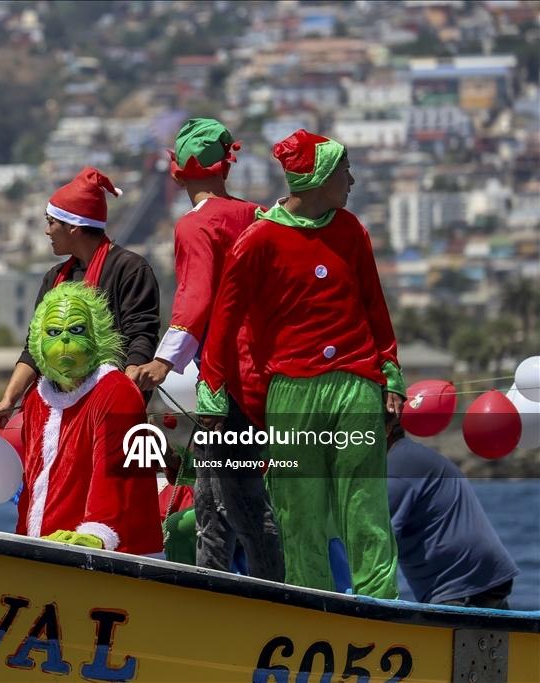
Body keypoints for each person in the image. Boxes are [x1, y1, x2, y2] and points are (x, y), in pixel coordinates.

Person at [196, 129, 406, 598]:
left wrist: (390, 376)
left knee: (365, 505)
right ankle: (312, 605)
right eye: (344, 171)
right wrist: (212, 392)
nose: (351, 180)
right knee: (299, 511)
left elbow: (376, 309)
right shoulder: (257, 241)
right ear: (320, 178)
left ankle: (380, 602)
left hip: (356, 382)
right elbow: (224, 325)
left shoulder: (351, 230)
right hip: (291, 390)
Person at [133, 118, 284, 581]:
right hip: (269, 375)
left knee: (241, 503)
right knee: (209, 502)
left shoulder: (196, 225)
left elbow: (195, 296)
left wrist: (163, 360)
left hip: (227, 381)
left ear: (178, 173)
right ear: (226, 167)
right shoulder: (260, 216)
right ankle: (210, 588)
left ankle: (270, 597)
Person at [0, 167, 160, 427]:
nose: (47, 231)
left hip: (110, 406)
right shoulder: (54, 277)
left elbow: (141, 335)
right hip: (60, 407)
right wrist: (8, 399)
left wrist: (126, 391)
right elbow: (35, 348)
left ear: (74, 227)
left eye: (51, 222)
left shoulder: (130, 268)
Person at [15, 282, 163, 556]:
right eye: (54, 332)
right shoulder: (37, 399)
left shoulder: (117, 392)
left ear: (96, 334)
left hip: (120, 558)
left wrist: (97, 533)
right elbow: (32, 482)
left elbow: (116, 472)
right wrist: (22, 543)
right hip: (47, 554)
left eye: (77, 330)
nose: (65, 341)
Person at [387, 422, 519, 608]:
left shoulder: (394, 466)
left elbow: (376, 542)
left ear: (386, 430)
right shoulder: (412, 454)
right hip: (484, 579)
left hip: (460, 586)